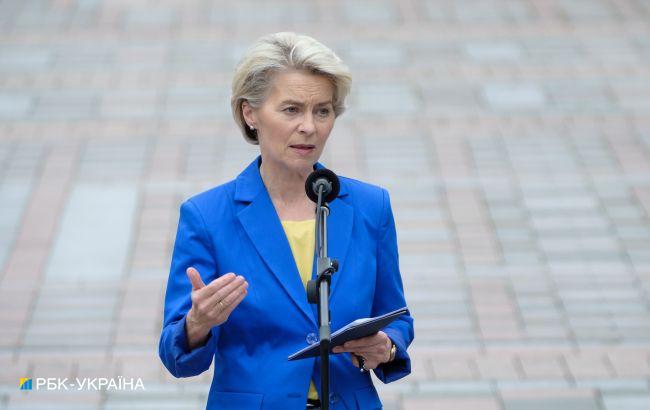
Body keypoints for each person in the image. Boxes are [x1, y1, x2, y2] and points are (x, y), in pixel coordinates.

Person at [159, 32, 414, 410]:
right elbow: (176, 355)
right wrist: (197, 323)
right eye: (292, 110)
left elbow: (397, 316)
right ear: (250, 113)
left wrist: (387, 346)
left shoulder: (370, 206)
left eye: (322, 111)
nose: (309, 126)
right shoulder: (207, 216)